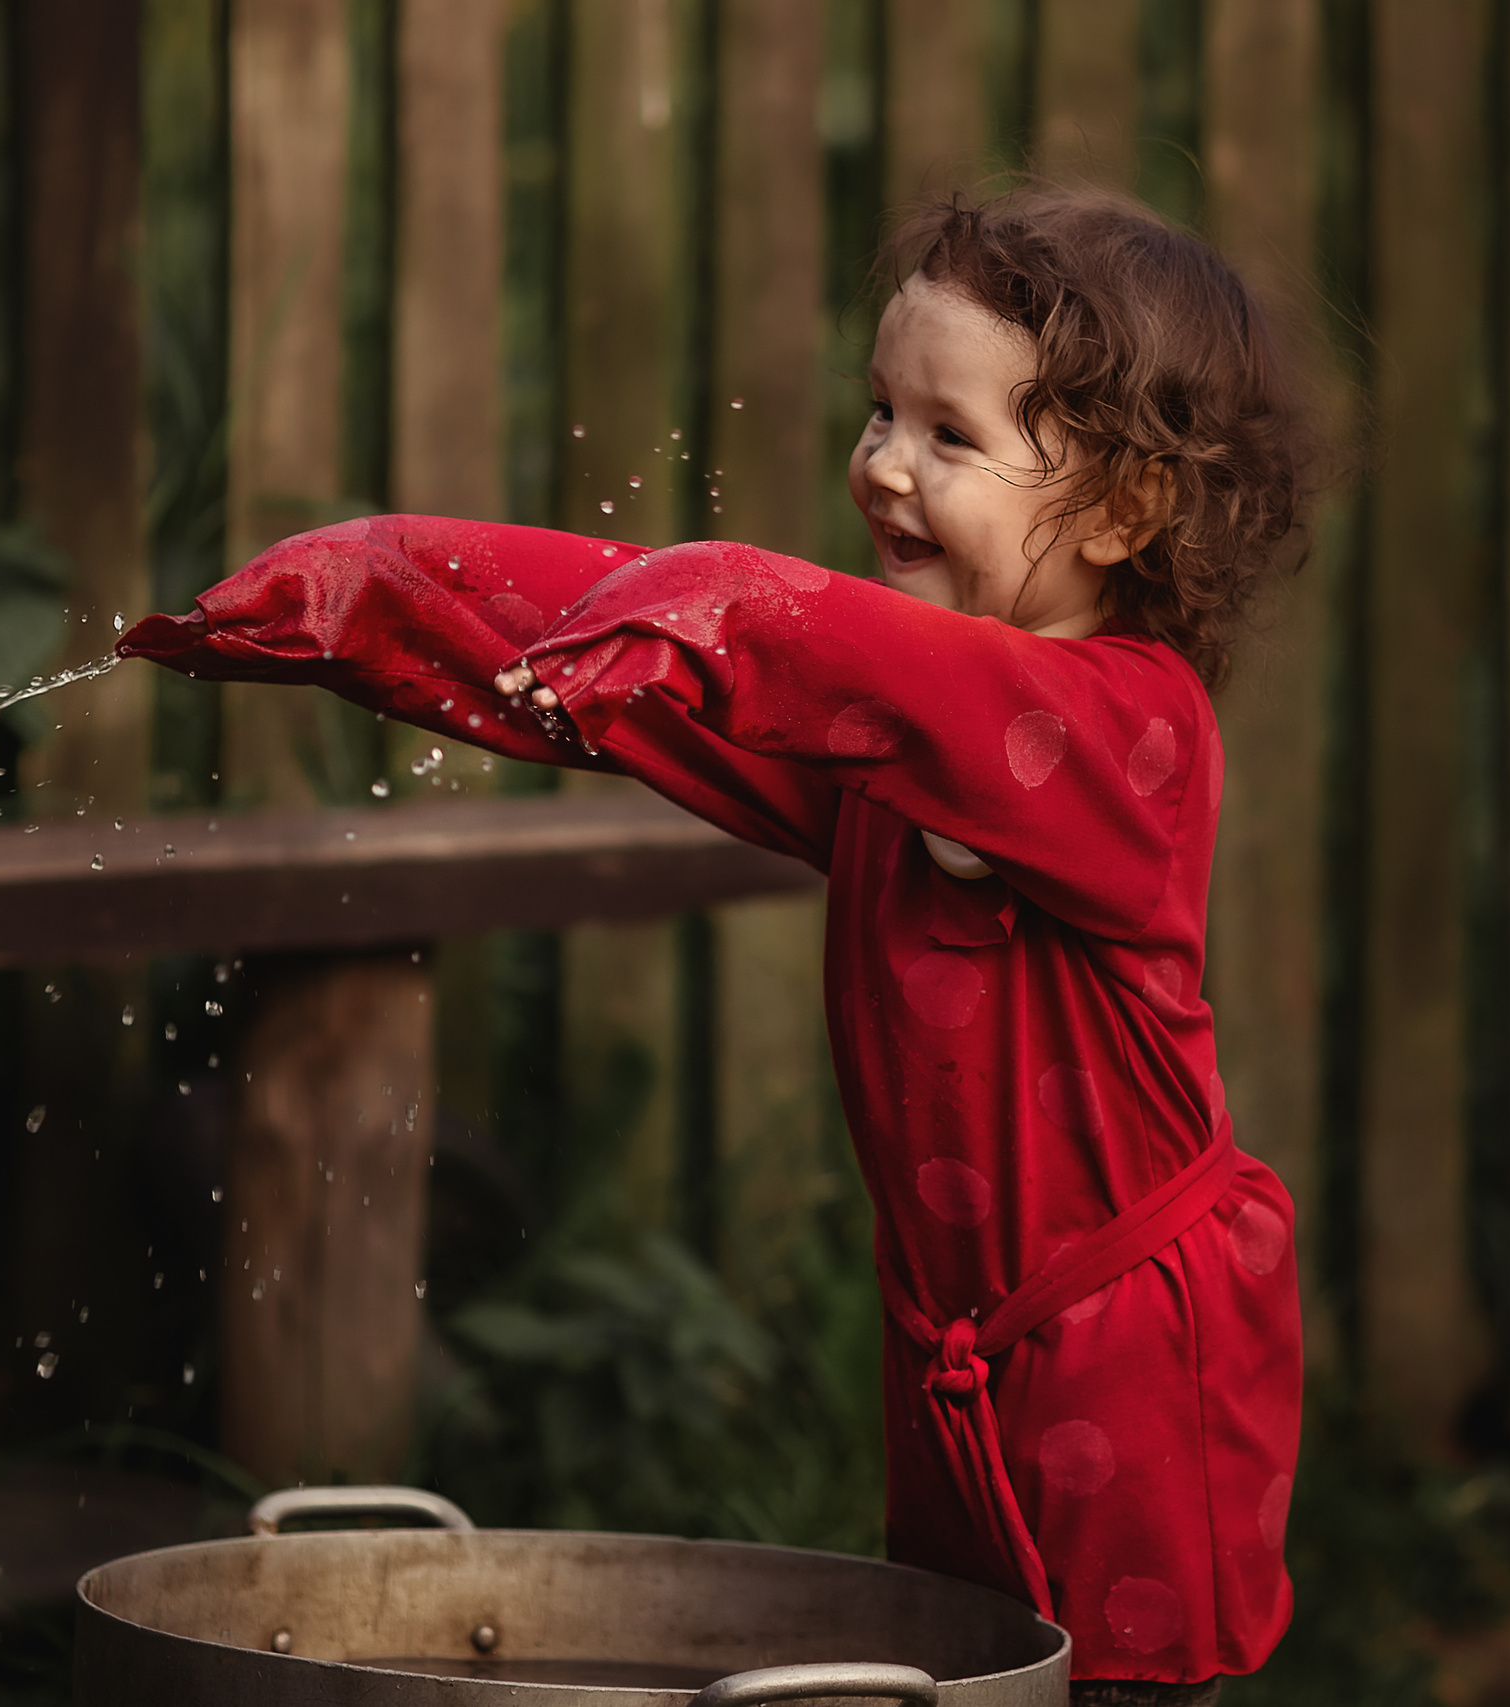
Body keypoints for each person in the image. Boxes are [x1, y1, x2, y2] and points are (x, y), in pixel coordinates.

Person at [122, 188, 1313, 1706]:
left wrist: (722, 604)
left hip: (1132, 1364)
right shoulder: (884, 741)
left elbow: (790, 644)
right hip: (955, 1352)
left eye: (952, 437)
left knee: (1118, 1690)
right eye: (882, 411)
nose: (883, 463)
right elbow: (660, 679)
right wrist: (381, 589)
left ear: (1130, 512)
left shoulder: (1133, 734)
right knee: (972, 1675)